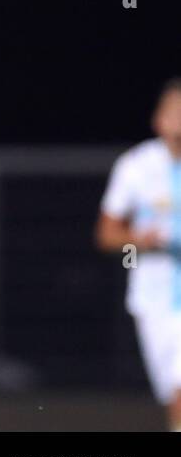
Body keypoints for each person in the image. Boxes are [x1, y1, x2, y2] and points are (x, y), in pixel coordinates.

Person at [96, 78, 181, 431]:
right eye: (175, 111)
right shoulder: (136, 166)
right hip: (156, 298)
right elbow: (106, 234)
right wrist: (142, 241)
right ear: (158, 119)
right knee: (173, 393)